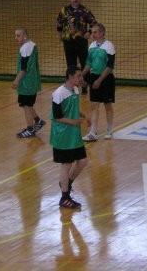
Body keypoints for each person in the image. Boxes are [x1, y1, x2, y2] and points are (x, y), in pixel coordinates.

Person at [51, 66, 89, 209]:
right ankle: (64, 198)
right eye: (79, 76)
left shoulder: (76, 90)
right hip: (63, 135)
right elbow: (56, 116)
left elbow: (73, 107)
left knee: (83, 161)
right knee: (66, 165)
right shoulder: (58, 94)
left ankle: (66, 183)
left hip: (74, 134)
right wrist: (73, 121)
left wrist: (83, 115)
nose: (81, 78)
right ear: (70, 77)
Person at [81, 23, 116, 142]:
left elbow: (109, 66)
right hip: (94, 77)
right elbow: (88, 63)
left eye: (95, 32)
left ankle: (109, 129)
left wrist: (99, 80)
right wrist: (82, 75)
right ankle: (93, 132)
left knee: (107, 105)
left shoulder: (109, 46)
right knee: (94, 106)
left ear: (102, 33)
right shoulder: (91, 46)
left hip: (106, 79)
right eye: (92, 32)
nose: (93, 34)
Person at [56, 0, 97, 91]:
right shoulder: (64, 10)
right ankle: (72, 86)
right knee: (71, 64)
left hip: (81, 41)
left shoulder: (85, 11)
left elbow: (94, 23)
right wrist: (59, 35)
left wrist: (89, 31)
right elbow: (59, 23)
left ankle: (84, 86)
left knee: (84, 63)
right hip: (68, 41)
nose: (75, 0)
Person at [12, 27, 45, 138]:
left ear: (25, 35)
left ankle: (30, 129)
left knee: (26, 105)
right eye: (15, 35)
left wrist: (16, 80)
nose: (16, 38)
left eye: (18, 35)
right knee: (28, 104)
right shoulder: (32, 45)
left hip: (27, 83)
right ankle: (38, 121)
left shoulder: (25, 49)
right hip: (33, 81)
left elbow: (23, 69)